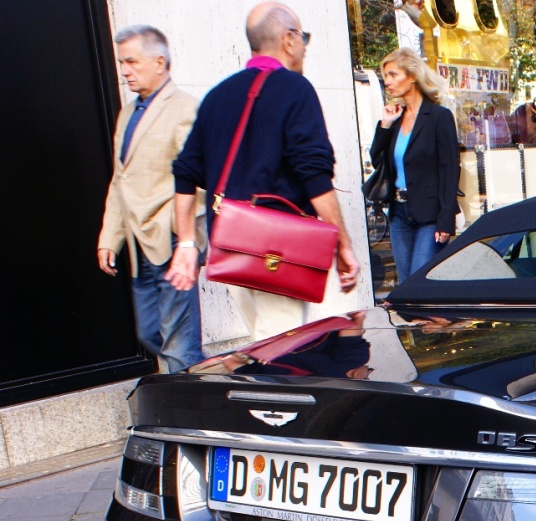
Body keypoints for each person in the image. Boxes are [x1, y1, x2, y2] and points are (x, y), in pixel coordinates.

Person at [167, 2, 359, 340]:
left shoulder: (216, 96)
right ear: (288, 39)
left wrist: (185, 242)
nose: (304, 46)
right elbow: (315, 179)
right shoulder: (295, 90)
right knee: (282, 360)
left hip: (231, 248)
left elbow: (185, 174)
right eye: (304, 37)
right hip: (278, 253)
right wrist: (343, 246)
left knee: (265, 344)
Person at [97, 25, 203, 373]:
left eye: (131, 61)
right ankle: (198, 383)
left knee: (177, 344)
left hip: (171, 240)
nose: (124, 70)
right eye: (121, 62)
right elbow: (120, 178)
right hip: (137, 244)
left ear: (159, 62)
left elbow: (200, 179)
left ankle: (191, 416)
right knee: (151, 334)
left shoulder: (185, 108)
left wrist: (184, 236)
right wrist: (109, 236)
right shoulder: (127, 113)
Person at [369, 48, 459, 280]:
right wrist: (385, 125)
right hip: (399, 214)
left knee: (422, 281)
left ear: (411, 76)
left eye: (392, 75)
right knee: (405, 283)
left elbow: (449, 169)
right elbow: (377, 160)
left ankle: (437, 317)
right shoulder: (396, 119)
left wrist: (446, 219)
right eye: (385, 76)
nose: (387, 82)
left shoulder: (439, 117)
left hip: (430, 215)